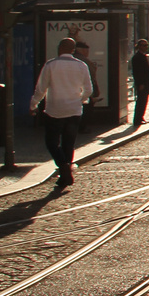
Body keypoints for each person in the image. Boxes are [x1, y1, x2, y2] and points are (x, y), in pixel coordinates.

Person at [32, 37, 93, 189]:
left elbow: (41, 88)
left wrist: (33, 104)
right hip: (74, 110)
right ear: (73, 50)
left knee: (51, 142)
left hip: (55, 109)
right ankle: (65, 173)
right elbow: (89, 90)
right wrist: (81, 100)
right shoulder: (81, 66)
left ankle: (64, 169)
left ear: (59, 48)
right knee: (68, 143)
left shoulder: (51, 65)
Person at [131, 38, 149, 126]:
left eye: (146, 45)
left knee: (144, 101)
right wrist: (140, 84)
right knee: (140, 101)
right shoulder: (137, 57)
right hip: (142, 84)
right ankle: (137, 119)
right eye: (144, 45)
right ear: (139, 46)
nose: (146, 47)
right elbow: (137, 72)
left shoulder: (142, 56)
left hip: (145, 83)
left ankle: (141, 117)